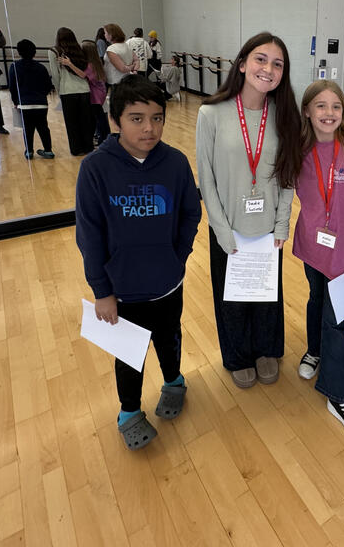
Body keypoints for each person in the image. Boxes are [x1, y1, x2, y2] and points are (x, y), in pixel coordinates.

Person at [75, 76, 201, 450]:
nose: (149, 128)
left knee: (169, 337)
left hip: (167, 283)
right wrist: (102, 291)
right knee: (129, 354)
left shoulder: (175, 163)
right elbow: (89, 235)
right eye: (136, 118)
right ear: (114, 120)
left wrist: (177, 257)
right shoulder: (95, 168)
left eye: (157, 118)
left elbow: (190, 214)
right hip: (122, 290)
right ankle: (129, 411)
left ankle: (174, 381)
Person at [195, 32, 300, 389]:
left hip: (268, 226)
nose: (268, 69)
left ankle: (267, 349)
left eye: (277, 64)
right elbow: (206, 178)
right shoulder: (211, 113)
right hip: (229, 226)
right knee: (233, 298)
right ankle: (238, 355)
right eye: (260, 59)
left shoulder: (285, 115)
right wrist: (221, 230)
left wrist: (282, 224)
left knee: (267, 295)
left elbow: (288, 174)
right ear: (242, 64)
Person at [293, 80, 344, 442]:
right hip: (312, 246)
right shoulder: (299, 149)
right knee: (316, 300)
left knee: (336, 320)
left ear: (343, 112)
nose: (329, 113)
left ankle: (339, 396)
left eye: (336, 107)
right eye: (321, 106)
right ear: (307, 111)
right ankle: (314, 350)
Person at [48, 27, 95, 156]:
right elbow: (85, 73)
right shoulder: (80, 50)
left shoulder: (54, 51)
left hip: (67, 90)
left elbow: (55, 75)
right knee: (86, 121)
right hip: (84, 90)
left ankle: (76, 149)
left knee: (71, 123)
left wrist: (58, 91)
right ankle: (88, 147)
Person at [8, 39, 55, 160]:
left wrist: (16, 102)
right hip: (41, 104)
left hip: (24, 104)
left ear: (19, 52)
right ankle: (48, 150)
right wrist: (42, 95)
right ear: (34, 52)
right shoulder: (41, 67)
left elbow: (12, 87)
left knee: (27, 128)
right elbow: (48, 86)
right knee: (43, 127)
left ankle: (29, 151)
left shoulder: (14, 67)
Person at [79, 39, 111, 145]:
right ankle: (104, 138)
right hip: (100, 95)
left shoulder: (89, 66)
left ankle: (103, 139)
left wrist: (70, 64)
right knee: (100, 118)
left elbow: (83, 75)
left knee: (98, 119)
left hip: (95, 97)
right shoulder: (97, 64)